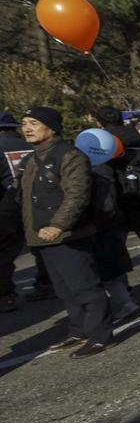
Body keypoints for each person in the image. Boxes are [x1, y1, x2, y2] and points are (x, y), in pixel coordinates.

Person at [17, 107, 114, 357]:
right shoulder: (31, 159)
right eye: (24, 123)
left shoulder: (69, 155)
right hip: (40, 237)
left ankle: (100, 336)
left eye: (34, 123)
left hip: (69, 234)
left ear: (52, 128)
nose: (27, 128)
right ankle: (79, 330)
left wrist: (58, 225)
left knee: (85, 287)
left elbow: (77, 195)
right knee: (65, 290)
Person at [96, 106, 140, 295]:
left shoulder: (105, 144)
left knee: (118, 248)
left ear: (99, 123)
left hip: (120, 200)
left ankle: (124, 287)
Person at [0, 112, 54, 311]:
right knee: (41, 246)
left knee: (4, 252)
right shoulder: (32, 144)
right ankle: (47, 283)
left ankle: (5, 295)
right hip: (38, 203)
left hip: (9, 207)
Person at [87, 144, 140, 324]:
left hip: (100, 229)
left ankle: (122, 303)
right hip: (109, 226)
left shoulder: (95, 176)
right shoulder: (110, 170)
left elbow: (106, 207)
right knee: (110, 273)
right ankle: (125, 301)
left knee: (103, 274)